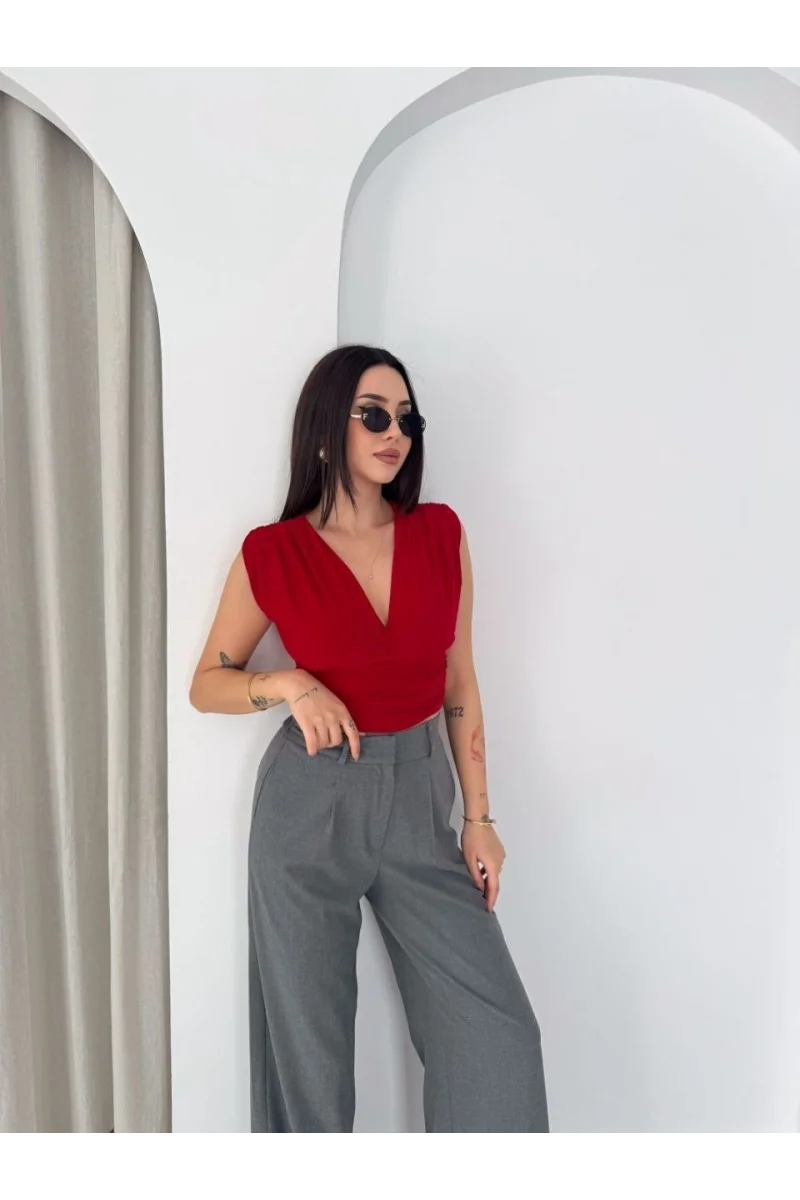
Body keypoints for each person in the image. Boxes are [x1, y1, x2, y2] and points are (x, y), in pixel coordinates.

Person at [189, 344, 550, 1136]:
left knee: (498, 1039)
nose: (395, 434)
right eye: (374, 415)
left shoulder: (440, 535)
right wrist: (289, 684)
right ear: (328, 427)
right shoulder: (273, 552)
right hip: (307, 804)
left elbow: (460, 684)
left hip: (421, 798)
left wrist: (479, 818)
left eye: (407, 420)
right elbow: (207, 683)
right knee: (308, 1064)